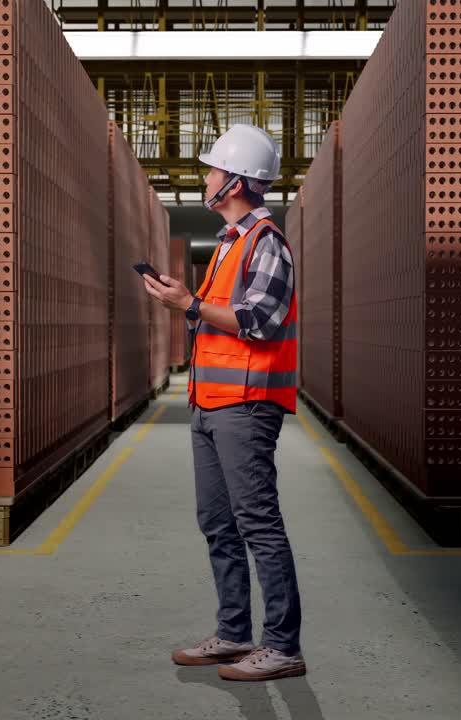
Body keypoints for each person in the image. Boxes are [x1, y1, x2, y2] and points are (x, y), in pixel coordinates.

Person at [141, 123, 305, 682]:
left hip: (246, 403)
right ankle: (234, 633)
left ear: (234, 182)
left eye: (212, 171)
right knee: (218, 522)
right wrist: (183, 302)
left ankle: (282, 645)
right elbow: (212, 319)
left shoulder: (266, 244)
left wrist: (190, 303)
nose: (205, 178)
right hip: (210, 403)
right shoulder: (231, 246)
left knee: (257, 522)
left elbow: (259, 321)